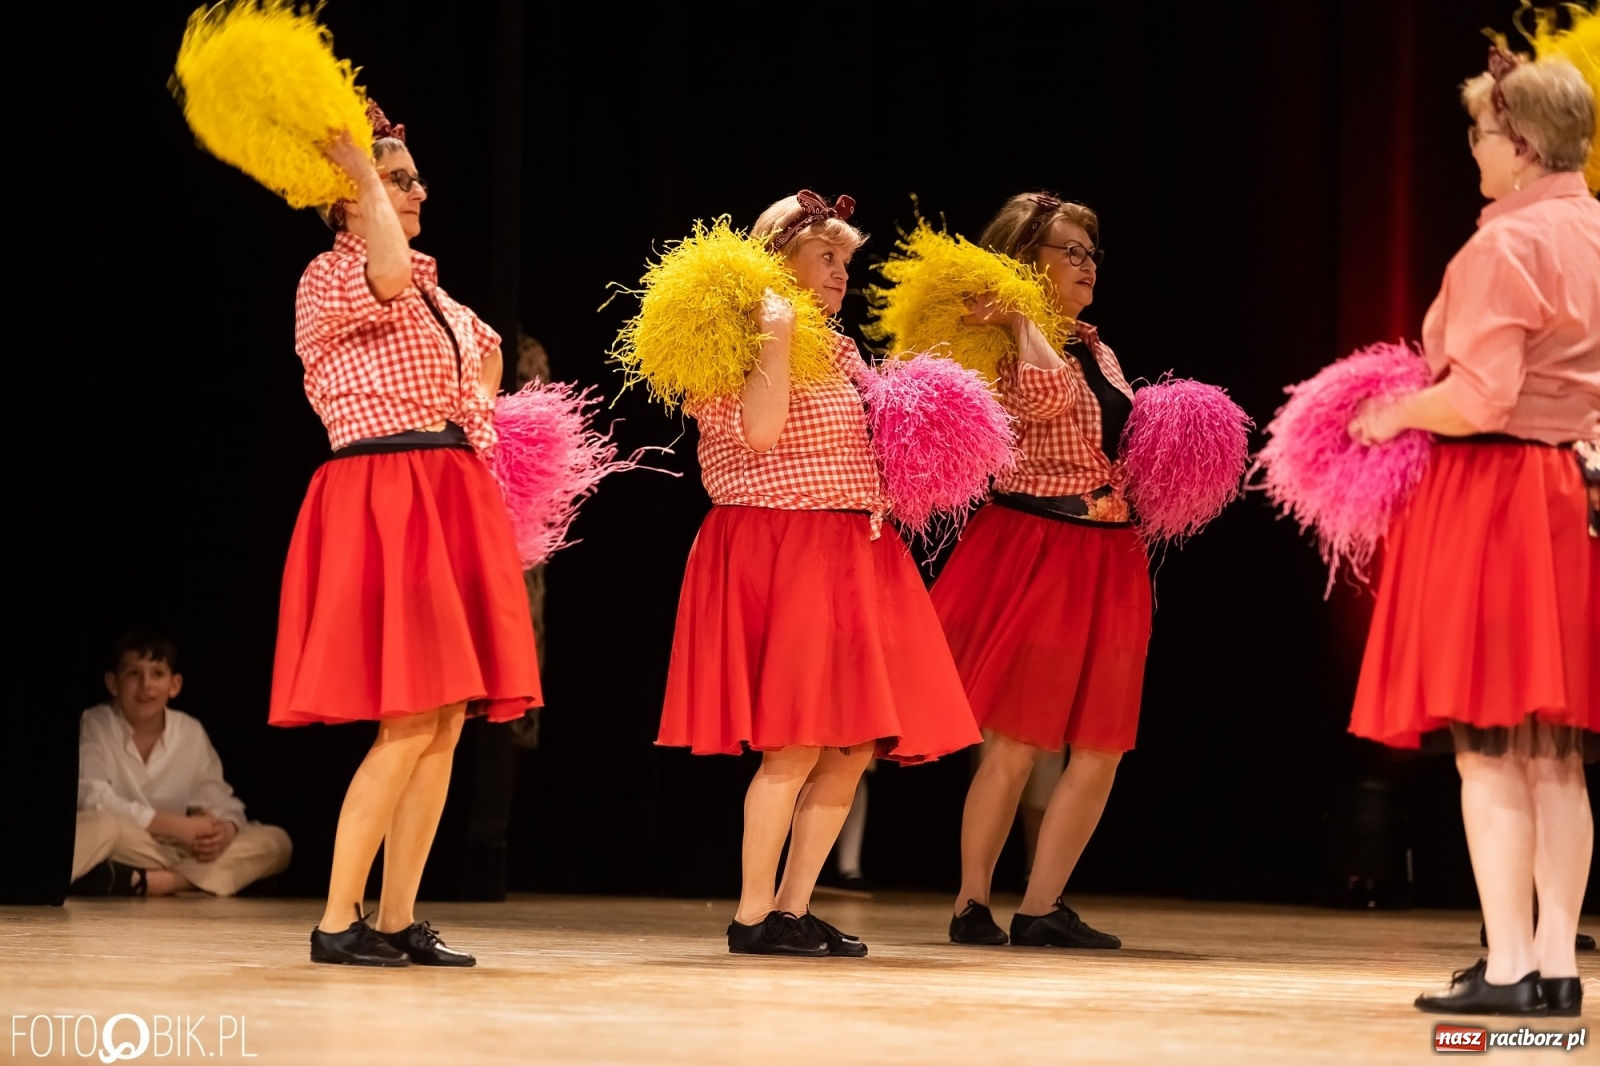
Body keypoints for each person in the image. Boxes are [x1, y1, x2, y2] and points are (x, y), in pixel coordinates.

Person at [658, 191, 981, 957]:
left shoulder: (838, 349)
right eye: (826, 257)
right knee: (795, 743)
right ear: (778, 261)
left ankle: (792, 909)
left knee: (852, 745)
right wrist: (775, 332)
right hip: (785, 544)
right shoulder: (733, 337)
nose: (841, 273)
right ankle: (751, 915)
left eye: (846, 260)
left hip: (853, 546)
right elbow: (761, 432)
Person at [1346, 50, 1598, 1018]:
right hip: (1568, 496)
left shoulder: (1504, 246)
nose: (1473, 147)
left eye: (1482, 131)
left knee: (1488, 750)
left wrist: (1393, 415)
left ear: (1522, 144)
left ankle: (1508, 966)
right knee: (1554, 753)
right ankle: (1555, 966)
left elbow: (1479, 398)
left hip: (1494, 497)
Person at [271, 101, 542, 967]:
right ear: (347, 198)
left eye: (414, 179)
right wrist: (359, 168)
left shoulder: (435, 293)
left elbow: (487, 358)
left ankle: (394, 918)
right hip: (386, 490)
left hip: (447, 487)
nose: (418, 191)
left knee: (445, 720)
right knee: (407, 717)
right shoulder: (329, 276)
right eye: (398, 179)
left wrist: (476, 421)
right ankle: (336, 919)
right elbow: (382, 269)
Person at [934, 193, 1146, 950]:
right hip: (1042, 548)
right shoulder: (995, 344)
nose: (1088, 265)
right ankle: (971, 903)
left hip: (1112, 556)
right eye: (1070, 252)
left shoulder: (1094, 345)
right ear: (1027, 262)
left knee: (1102, 744)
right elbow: (1048, 399)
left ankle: (1042, 905)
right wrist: (1023, 317)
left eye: (1092, 253)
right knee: (1019, 738)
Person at [70, 631, 291, 898]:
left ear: (174, 685)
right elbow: (92, 797)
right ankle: (191, 880)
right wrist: (173, 825)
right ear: (113, 683)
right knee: (100, 825)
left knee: (276, 841)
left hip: (179, 850)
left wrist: (226, 831)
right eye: (133, 674)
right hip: (130, 843)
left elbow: (221, 801)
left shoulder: (189, 731)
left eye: (157, 674)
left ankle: (158, 882)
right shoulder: (95, 723)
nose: (146, 685)